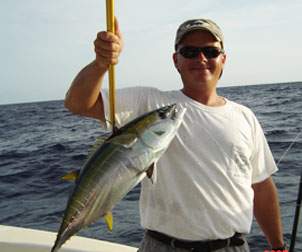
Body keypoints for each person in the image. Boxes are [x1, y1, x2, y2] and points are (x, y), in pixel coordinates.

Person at [64, 18, 286, 252]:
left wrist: (278, 246)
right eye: (189, 51)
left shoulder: (245, 116)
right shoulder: (151, 103)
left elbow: (260, 186)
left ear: (223, 58)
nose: (201, 59)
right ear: (176, 60)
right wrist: (100, 64)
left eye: (210, 51)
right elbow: (77, 103)